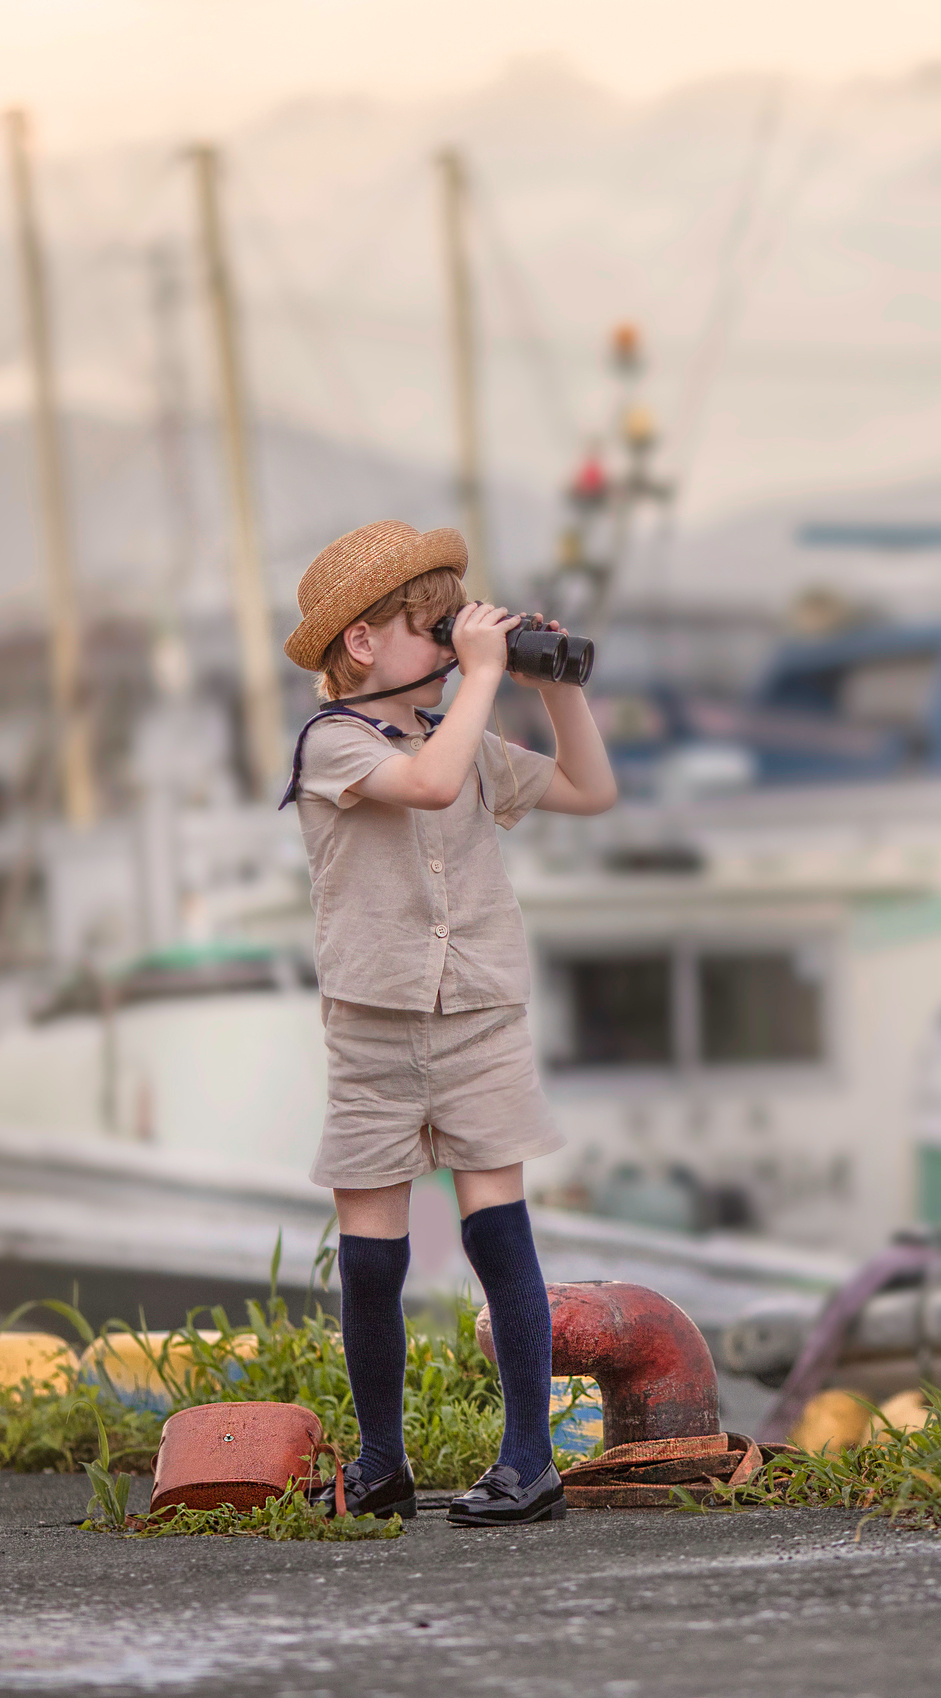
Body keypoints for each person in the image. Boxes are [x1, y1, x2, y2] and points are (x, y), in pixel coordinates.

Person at [279, 519, 617, 1524]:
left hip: (477, 1015)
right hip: (374, 1027)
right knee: (372, 1255)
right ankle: (382, 1463)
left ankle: (529, 1462)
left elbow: (591, 790)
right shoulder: (332, 743)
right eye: (433, 631)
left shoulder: (458, 737)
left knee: (499, 1234)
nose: (453, 647)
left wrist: (554, 686)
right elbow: (425, 789)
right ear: (361, 643)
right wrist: (481, 677)